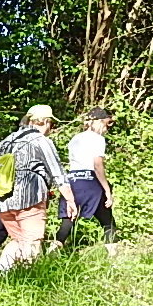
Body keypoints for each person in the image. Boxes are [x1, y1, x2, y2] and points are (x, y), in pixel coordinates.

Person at [0, 105, 75, 270]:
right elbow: (57, 172)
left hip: (2, 199)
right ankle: (29, 280)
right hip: (29, 198)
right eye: (51, 124)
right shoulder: (41, 141)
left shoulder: (8, 140)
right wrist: (70, 200)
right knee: (32, 242)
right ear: (45, 122)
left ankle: (1, 277)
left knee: (18, 240)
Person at [55, 108, 119, 254]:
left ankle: (52, 252)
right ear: (98, 122)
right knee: (108, 221)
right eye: (106, 124)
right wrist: (107, 190)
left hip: (72, 180)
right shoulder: (98, 139)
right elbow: (97, 165)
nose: (106, 129)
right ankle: (113, 257)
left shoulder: (75, 139)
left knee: (69, 219)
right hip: (91, 182)